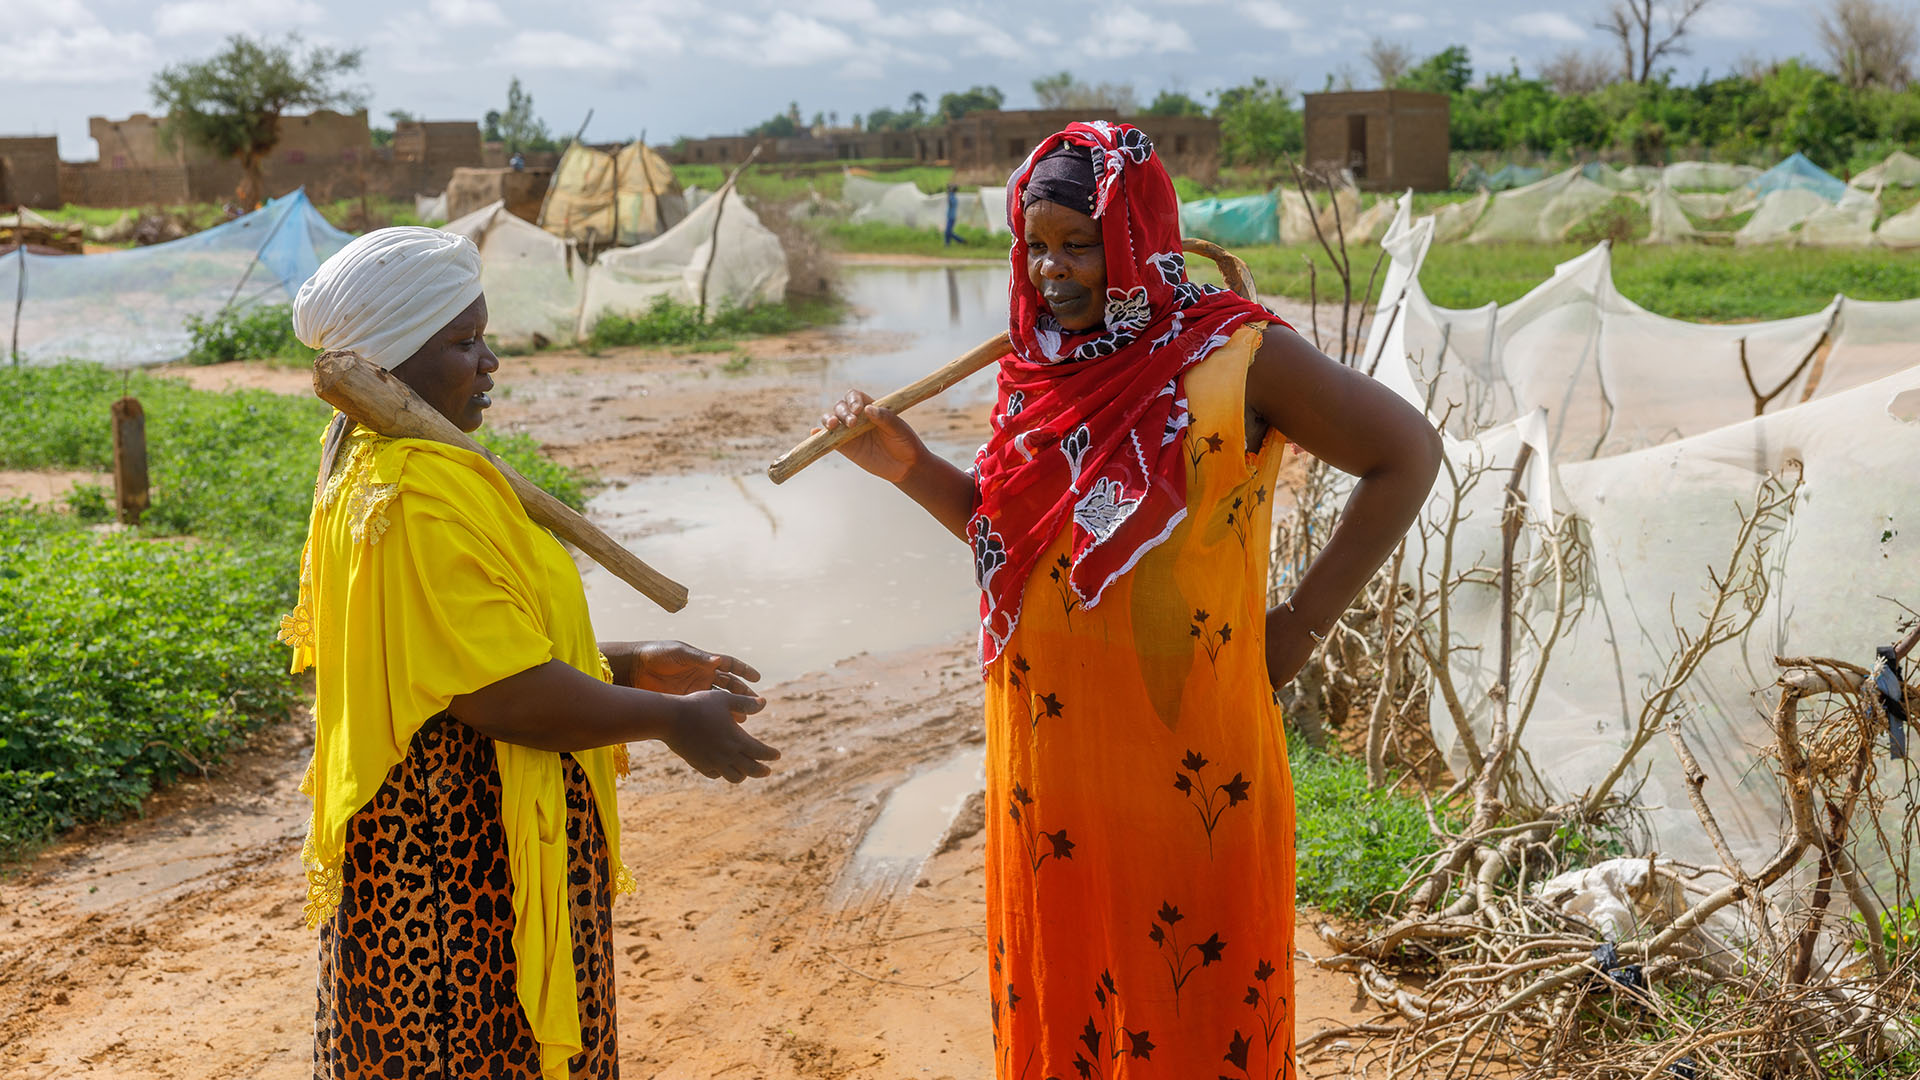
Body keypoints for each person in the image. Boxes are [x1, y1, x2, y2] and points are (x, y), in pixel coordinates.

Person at [821, 123, 1441, 1077]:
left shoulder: (1237, 354)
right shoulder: (1040, 364)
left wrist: (1295, 632)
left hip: (1186, 758)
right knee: (1071, 993)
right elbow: (1017, 546)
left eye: (1081, 243)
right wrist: (908, 468)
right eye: (1038, 245)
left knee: (1191, 997)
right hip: (1052, 766)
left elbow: (1407, 455)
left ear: (1136, 236)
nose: (1054, 270)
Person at [283, 227, 779, 1080]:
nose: (490, 361)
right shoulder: (415, 495)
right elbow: (501, 692)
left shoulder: (404, 467)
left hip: (465, 848)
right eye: (464, 341)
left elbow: (463, 645)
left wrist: (621, 665)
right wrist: (669, 722)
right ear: (395, 360)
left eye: (484, 336)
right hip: (456, 872)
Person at [944, 182, 965, 247]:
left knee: (948, 232)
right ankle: (948, 244)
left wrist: (949, 190)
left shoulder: (953, 198)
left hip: (951, 217)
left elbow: (949, 201)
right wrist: (949, 190)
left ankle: (960, 240)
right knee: (948, 232)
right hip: (951, 217)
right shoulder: (952, 196)